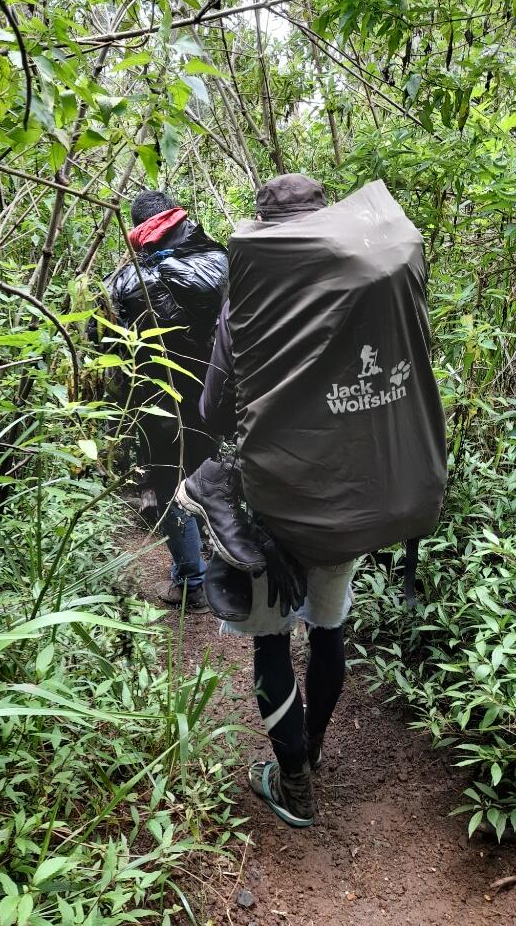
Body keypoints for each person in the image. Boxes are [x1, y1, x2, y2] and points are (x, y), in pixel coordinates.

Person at [177, 173, 446, 826]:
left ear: (267, 231)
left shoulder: (252, 299)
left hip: (276, 512)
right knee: (329, 631)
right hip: (354, 496)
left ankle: (293, 778)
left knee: (271, 644)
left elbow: (214, 409)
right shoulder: (372, 284)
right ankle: (315, 747)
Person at [92, 189, 228, 611]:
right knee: (205, 473)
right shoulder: (217, 263)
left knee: (170, 481)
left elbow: (102, 343)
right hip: (211, 393)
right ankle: (217, 561)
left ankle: (190, 579)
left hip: (155, 401)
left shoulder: (124, 280)